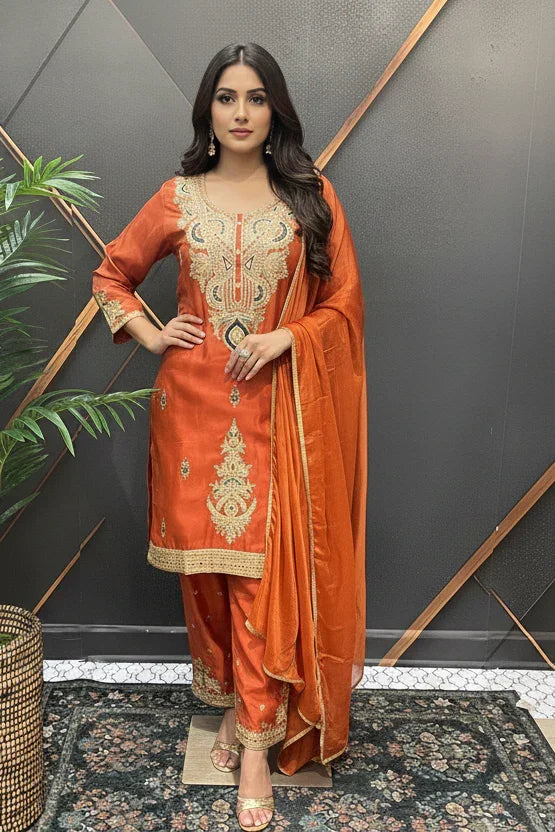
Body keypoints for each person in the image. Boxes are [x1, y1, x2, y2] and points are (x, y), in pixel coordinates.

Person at [92, 42, 367, 832]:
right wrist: (149, 337)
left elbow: (344, 303)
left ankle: (255, 743)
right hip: (190, 408)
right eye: (225, 97)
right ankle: (227, 705)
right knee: (205, 576)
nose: (241, 113)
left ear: (274, 108)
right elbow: (113, 273)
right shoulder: (178, 197)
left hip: (278, 413)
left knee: (259, 578)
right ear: (207, 111)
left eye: (255, 98)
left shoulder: (310, 197)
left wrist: (292, 338)